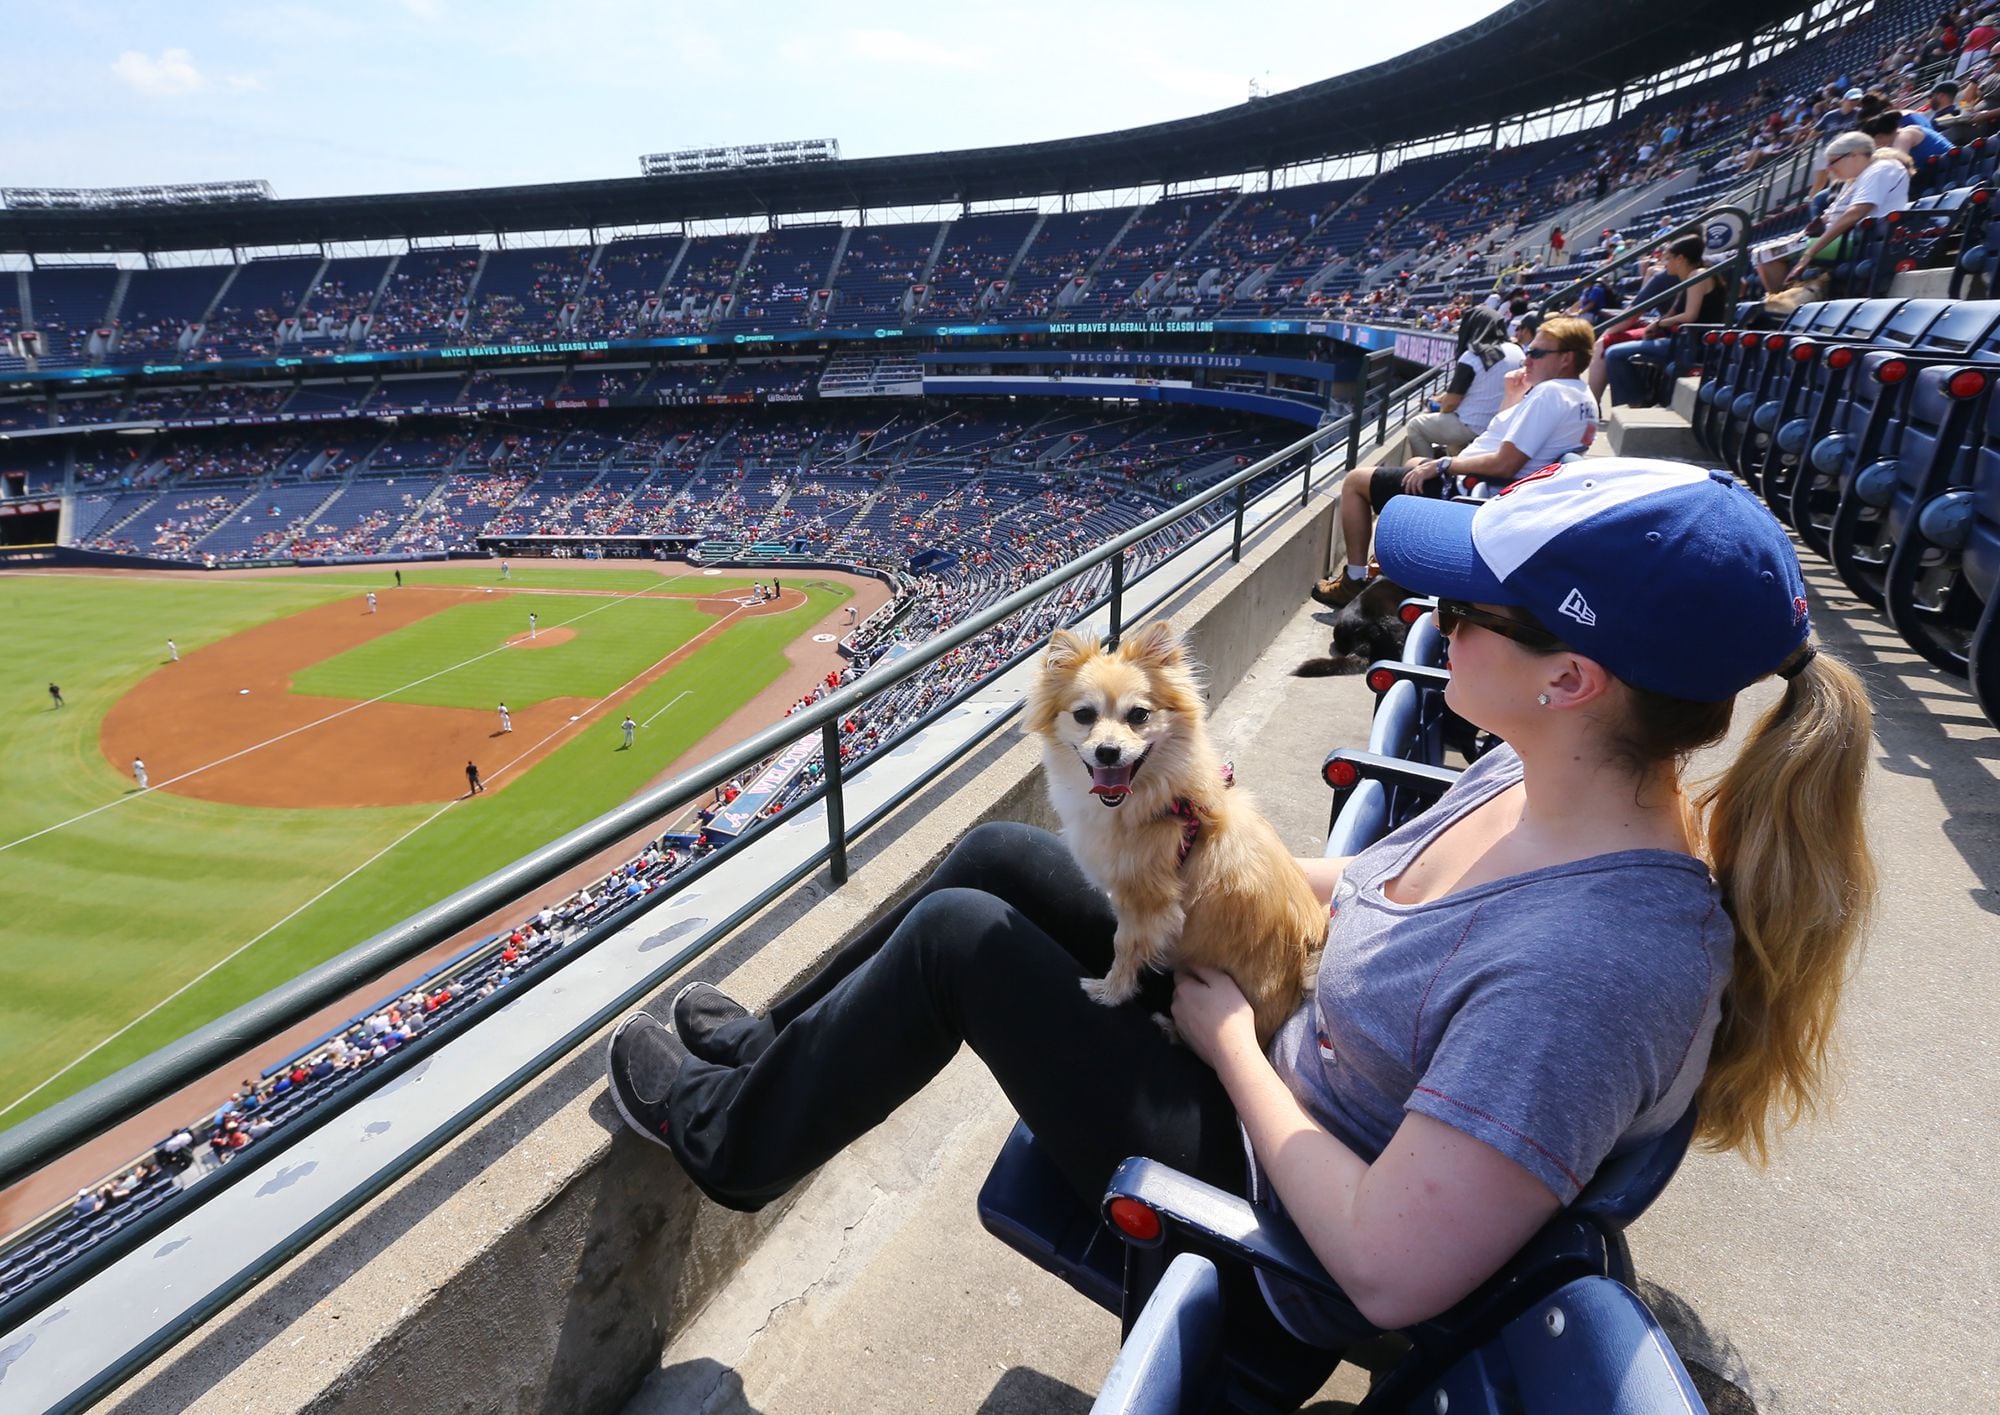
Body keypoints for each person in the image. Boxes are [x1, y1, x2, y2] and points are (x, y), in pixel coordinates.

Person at [606, 458, 1874, 1387]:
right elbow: (1376, 903)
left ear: (1571, 677)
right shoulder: (1544, 770)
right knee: (1001, 851)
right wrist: (1233, 843)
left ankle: (730, 1139)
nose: (1424, 610)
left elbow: (1384, 1265)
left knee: (958, 941)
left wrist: (1226, 1050)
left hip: (1287, 1225)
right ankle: (773, 1054)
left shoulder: (1593, 965)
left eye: (1469, 606)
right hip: (1296, 1048)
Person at [1314, 316, 1599, 609]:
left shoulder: (1550, 394)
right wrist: (1513, 396)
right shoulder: (1583, 396)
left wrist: (1443, 465)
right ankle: (1385, 567)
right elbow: (1502, 437)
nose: (1527, 359)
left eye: (1537, 353)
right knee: (1414, 462)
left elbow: (1505, 464)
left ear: (1567, 358)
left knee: (1355, 482)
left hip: (1474, 494)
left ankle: (1354, 579)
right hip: (1493, 490)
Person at [1753, 133, 1914, 297]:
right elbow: (1828, 215)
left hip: (1863, 241)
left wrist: (1810, 253)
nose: (1829, 169)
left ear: (1854, 155)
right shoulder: (1857, 177)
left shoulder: (1883, 168)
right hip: (1848, 239)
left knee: (1765, 254)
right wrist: (1799, 237)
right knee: (1761, 253)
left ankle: (1784, 305)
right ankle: (1784, 302)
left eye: (1833, 162)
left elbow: (1855, 213)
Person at [1603, 236, 1727, 407]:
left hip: (1694, 344)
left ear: (1680, 259)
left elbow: (1689, 316)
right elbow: (1673, 312)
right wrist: (1655, 325)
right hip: (1683, 341)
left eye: (1668, 258)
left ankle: (1636, 401)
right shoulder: (1687, 278)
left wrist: (1660, 324)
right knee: (1620, 349)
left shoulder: (1698, 275)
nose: (1664, 263)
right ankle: (1640, 399)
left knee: (1614, 353)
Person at [1403, 307, 1523, 459]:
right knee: (1454, 432)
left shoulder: (1472, 356)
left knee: (1416, 426)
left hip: (1474, 426)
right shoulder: (1517, 350)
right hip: (1503, 426)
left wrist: (1440, 406)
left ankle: (1426, 473)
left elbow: (1450, 404)